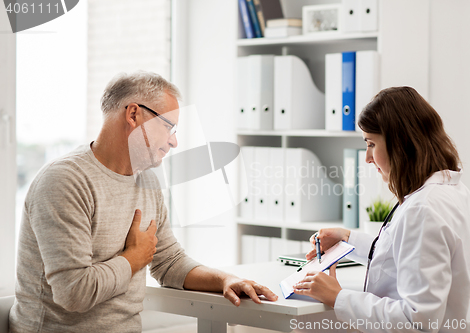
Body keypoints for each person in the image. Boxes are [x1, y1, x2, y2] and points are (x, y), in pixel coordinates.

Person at [9, 71, 278, 332]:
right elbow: (74, 292)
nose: (174, 141)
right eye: (168, 126)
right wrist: (134, 258)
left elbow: (168, 262)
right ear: (134, 114)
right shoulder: (65, 181)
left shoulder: (147, 180)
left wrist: (225, 280)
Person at [293, 86, 470, 332]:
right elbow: (403, 251)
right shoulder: (453, 190)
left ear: (401, 144)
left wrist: (338, 297)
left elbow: (416, 322)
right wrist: (348, 240)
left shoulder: (423, 208)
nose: (367, 158)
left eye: (371, 144)